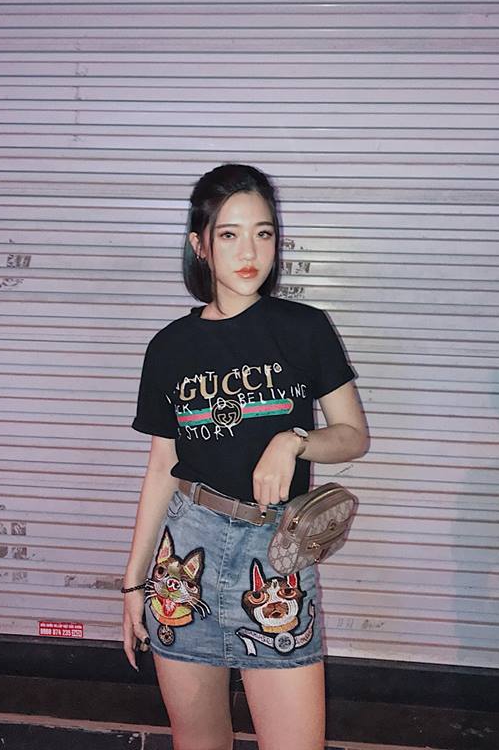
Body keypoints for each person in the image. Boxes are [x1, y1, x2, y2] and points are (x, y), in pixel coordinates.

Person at [122, 163, 369, 750]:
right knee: (198, 741)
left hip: (275, 552)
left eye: (263, 232)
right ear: (200, 245)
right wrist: (132, 584)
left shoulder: (304, 328)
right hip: (186, 554)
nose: (250, 251)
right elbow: (161, 469)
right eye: (229, 234)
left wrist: (294, 440)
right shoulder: (170, 347)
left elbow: (353, 435)